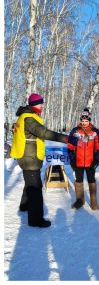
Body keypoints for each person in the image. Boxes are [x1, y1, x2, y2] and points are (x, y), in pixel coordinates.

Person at [10, 93, 68, 228]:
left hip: (27, 156)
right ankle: (35, 220)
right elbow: (44, 133)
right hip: (30, 158)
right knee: (35, 187)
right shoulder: (29, 118)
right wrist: (66, 139)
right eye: (40, 103)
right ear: (33, 104)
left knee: (30, 183)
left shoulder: (25, 116)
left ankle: (24, 206)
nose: (42, 105)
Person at [68, 108, 99, 210]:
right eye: (82, 121)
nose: (84, 123)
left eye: (86, 121)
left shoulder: (95, 132)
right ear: (80, 120)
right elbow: (70, 146)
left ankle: (93, 201)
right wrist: (72, 159)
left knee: (91, 180)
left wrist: (96, 160)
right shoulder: (75, 131)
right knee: (78, 180)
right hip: (78, 161)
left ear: (90, 120)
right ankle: (80, 201)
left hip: (91, 161)